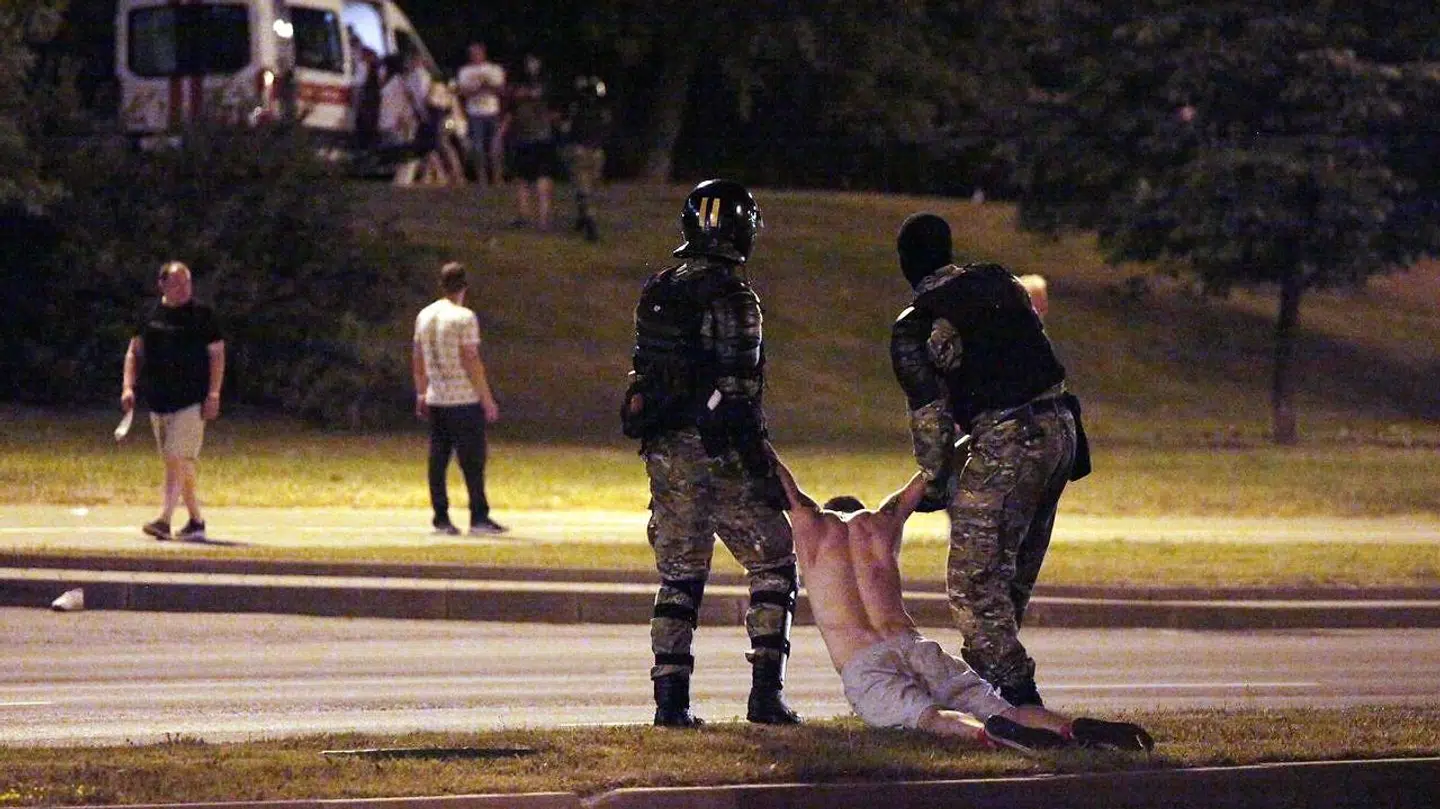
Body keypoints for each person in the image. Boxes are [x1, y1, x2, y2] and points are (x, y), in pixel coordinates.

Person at [770, 451, 1152, 753]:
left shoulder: (812, 527)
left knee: (927, 716)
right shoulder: (881, 524)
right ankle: (1070, 728)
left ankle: (986, 736)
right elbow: (925, 477)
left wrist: (756, 436)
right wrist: (964, 435)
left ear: (830, 509)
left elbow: (786, 485)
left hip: (864, 662)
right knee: (1004, 708)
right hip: (915, 646)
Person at [888, 212, 1091, 708]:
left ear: (905, 263)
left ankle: (1024, 704)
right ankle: (989, 695)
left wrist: (935, 480)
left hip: (1010, 441)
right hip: (1062, 431)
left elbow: (930, 417)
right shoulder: (1000, 280)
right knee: (1008, 577)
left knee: (974, 585)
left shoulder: (919, 324)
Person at [621, 179, 799, 728]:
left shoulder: (659, 287)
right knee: (774, 563)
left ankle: (670, 703)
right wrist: (762, 466)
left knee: (680, 575)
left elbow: (645, 373)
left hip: (666, 451)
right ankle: (765, 695)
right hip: (722, 450)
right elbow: (738, 393)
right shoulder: (735, 297)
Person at [120, 261, 225, 542]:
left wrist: (214, 394)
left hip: (191, 400)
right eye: (177, 283)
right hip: (158, 399)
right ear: (162, 284)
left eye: (187, 282)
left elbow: (217, 354)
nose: (183, 288)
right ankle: (196, 522)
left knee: (175, 456)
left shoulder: (203, 315)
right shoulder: (149, 313)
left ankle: (164, 520)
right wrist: (128, 387)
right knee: (179, 463)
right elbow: (134, 352)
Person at [412, 261, 506, 536]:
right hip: (463, 398)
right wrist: (486, 398)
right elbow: (470, 360)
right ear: (464, 286)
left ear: (442, 285)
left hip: (437, 397)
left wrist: (421, 391)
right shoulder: (464, 318)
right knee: (473, 460)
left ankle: (441, 517)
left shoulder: (425, 315)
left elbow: (417, 357)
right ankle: (478, 516)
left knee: (438, 458)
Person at [501, 53, 560, 229]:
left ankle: (543, 217)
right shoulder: (520, 85)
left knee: (542, 177)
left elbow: (551, 106)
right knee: (523, 178)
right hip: (523, 136)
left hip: (541, 136)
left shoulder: (546, 84)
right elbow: (511, 107)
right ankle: (523, 214)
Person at [559, 74, 611, 242]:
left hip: (581, 150)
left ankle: (589, 220)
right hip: (595, 151)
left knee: (583, 188)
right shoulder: (602, 110)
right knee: (589, 188)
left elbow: (566, 129)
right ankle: (584, 218)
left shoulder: (576, 108)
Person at [456, 41, 506, 186]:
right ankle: (481, 177)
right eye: (472, 53)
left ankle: (497, 176)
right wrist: (480, 88)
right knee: (477, 146)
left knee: (495, 145)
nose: (475, 55)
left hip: (492, 111)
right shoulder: (465, 72)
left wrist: (485, 87)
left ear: (483, 53)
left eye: (477, 52)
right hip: (474, 113)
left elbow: (500, 89)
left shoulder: (494, 69)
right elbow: (463, 92)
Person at [377, 53, 421, 186]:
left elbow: (408, 101)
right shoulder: (392, 82)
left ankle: (404, 181)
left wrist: (404, 118)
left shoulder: (400, 82)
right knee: (398, 153)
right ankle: (400, 180)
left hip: (398, 123)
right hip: (389, 122)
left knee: (403, 153)